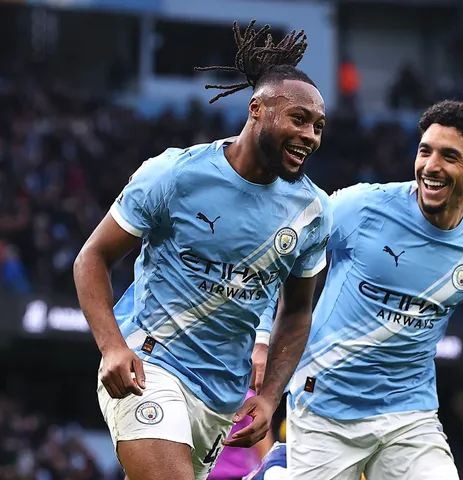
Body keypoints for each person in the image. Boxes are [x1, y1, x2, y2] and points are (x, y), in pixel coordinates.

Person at [73, 20, 331, 480]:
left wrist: (270, 396)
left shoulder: (313, 211)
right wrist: (112, 347)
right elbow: (92, 258)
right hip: (149, 365)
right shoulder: (176, 174)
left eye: (318, 126)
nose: (310, 135)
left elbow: (296, 312)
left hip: (221, 401)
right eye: (299, 119)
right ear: (257, 109)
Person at [255, 100, 463, 479]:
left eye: (449, 156)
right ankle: (277, 471)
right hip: (326, 403)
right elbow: (277, 256)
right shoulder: (363, 207)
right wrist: (263, 335)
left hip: (409, 415)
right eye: (425, 151)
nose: (431, 166)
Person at [208, 389, 275, 480]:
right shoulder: (198, 392)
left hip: (237, 473)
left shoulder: (247, 399)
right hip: (204, 473)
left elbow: (264, 446)